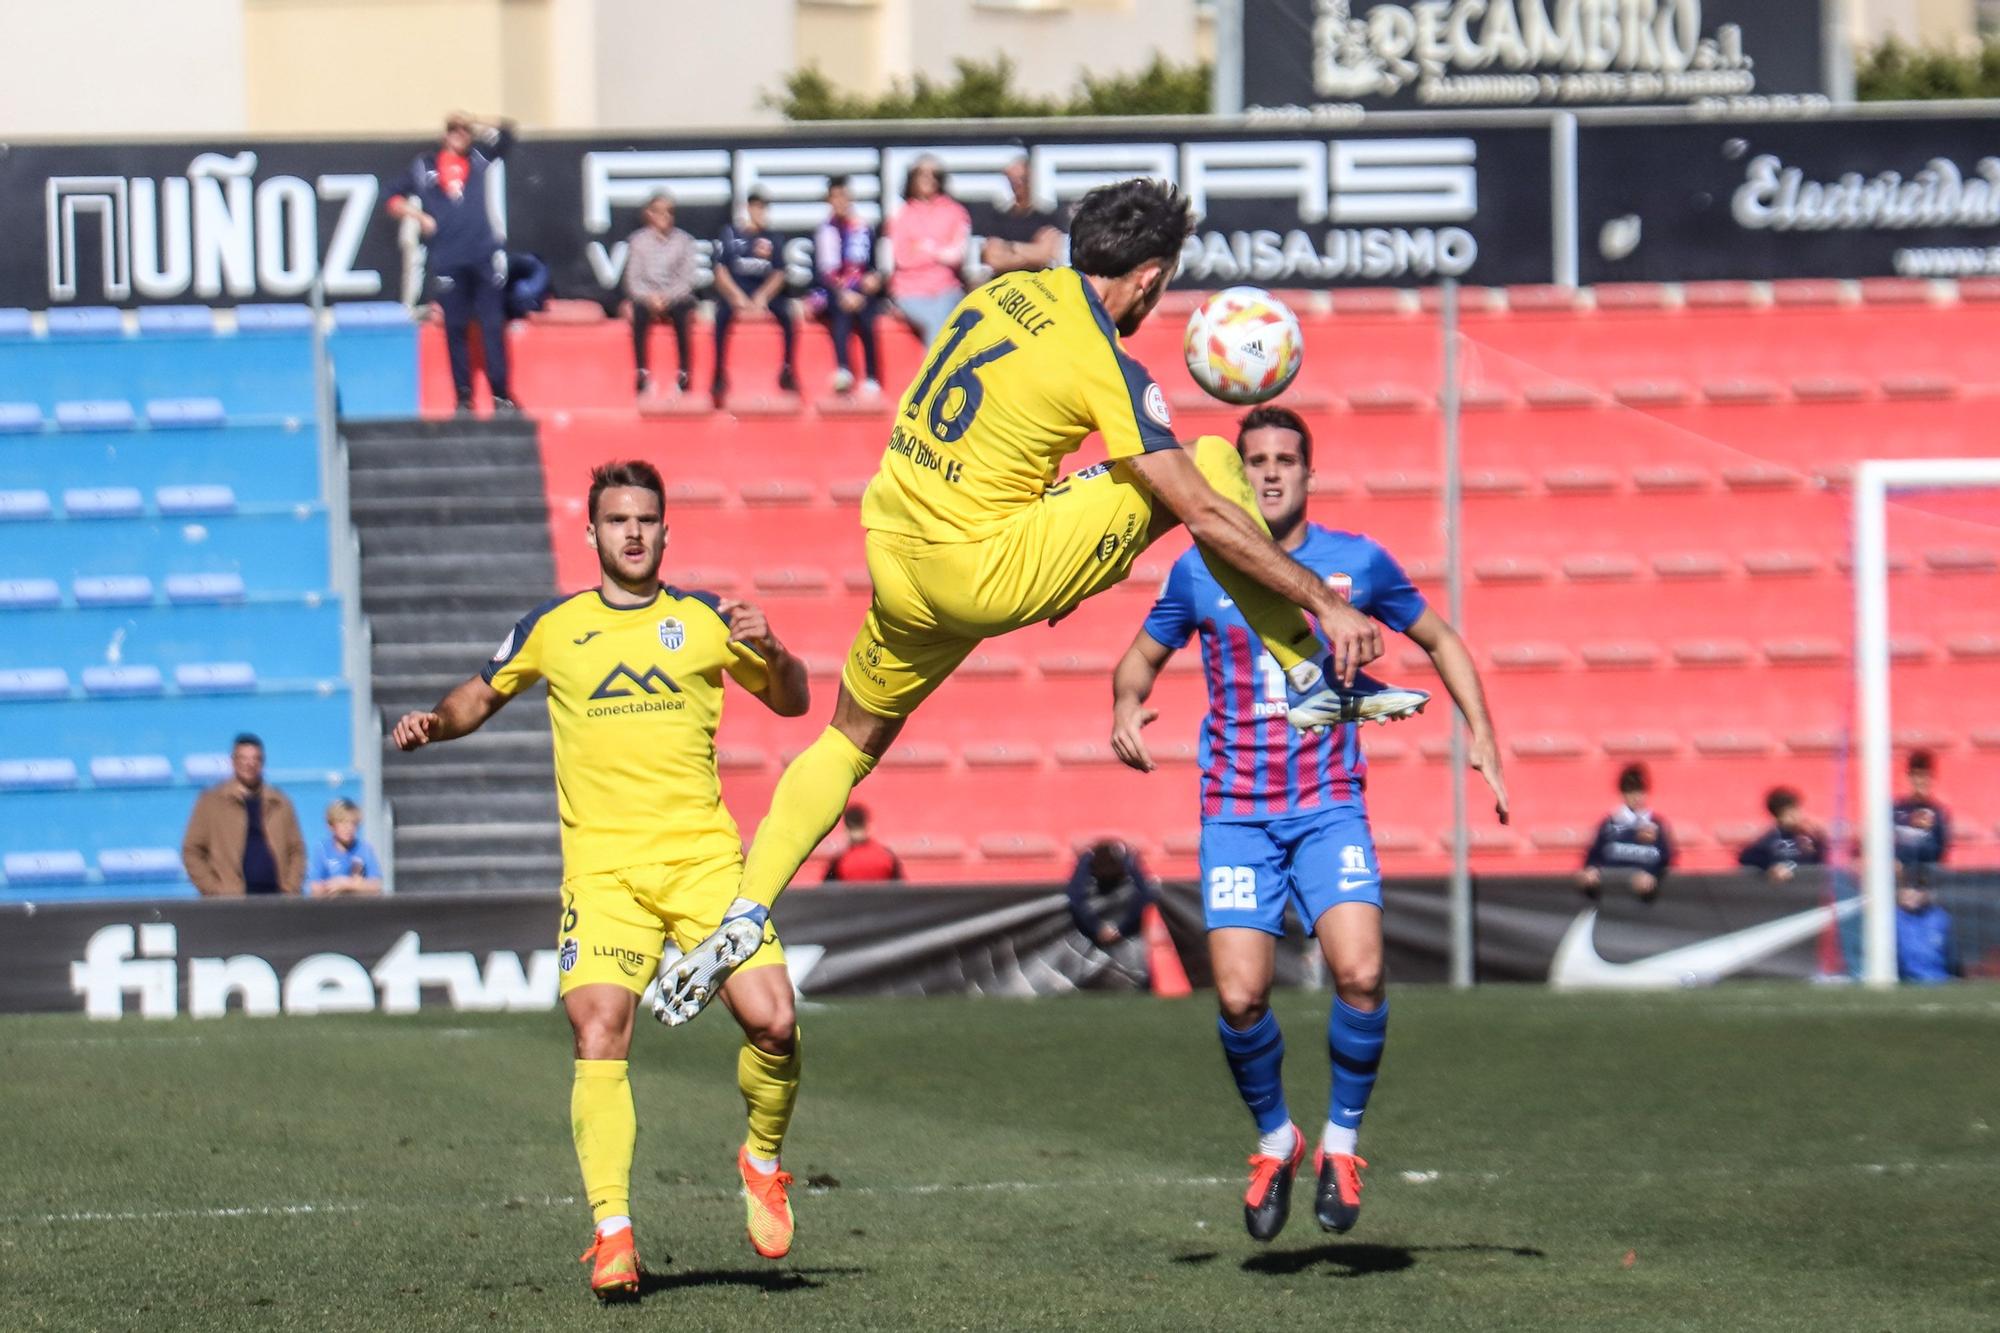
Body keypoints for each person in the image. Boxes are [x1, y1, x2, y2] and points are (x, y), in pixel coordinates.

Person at [654, 178, 1427, 1029]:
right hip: (981, 568)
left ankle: (744, 910)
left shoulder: (1003, 292)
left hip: (897, 547)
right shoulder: (1106, 362)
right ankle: (1306, 670)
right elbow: (1203, 510)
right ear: (1148, 277)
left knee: (851, 737)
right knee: (1204, 459)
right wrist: (1328, 601)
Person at [390, 460, 812, 1298]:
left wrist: (774, 646)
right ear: (591, 532)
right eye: (616, 520)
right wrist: (433, 726)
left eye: (645, 520)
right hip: (605, 872)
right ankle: (614, 1232)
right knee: (599, 1031)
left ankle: (761, 1160)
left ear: (664, 529)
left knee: (775, 1022)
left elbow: (794, 702)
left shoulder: (704, 620)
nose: (632, 532)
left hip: (703, 864)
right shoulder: (553, 625)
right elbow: (480, 694)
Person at [1107, 404, 1507, 1242]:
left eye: (1287, 458)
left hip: (1330, 809)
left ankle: (1343, 1144)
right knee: (1244, 995)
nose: (1272, 471)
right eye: (1256, 459)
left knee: (1361, 974)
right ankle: (1275, 1138)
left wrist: (1482, 733)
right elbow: (1139, 659)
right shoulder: (1199, 568)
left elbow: (1441, 638)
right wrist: (1126, 708)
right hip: (1236, 816)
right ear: (1239, 472)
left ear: (1309, 472)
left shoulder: (1356, 562)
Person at [386, 112, 518, 413]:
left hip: (483, 255)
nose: (460, 135)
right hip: (448, 257)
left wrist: (475, 118)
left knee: (492, 325)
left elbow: (508, 132)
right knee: (455, 326)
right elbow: (391, 197)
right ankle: (462, 394)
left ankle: (500, 393)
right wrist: (419, 216)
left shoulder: (480, 158)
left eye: (464, 131)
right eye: (454, 130)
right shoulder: (424, 167)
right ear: (445, 135)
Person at [180, 734, 306, 897]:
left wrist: (291, 888)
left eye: (256, 759)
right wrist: (214, 890)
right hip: (231, 904)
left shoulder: (280, 802)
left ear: (263, 762)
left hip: (277, 900)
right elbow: (192, 850)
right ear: (233, 761)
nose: (250, 764)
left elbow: (296, 849)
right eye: (243, 758)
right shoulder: (211, 802)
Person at [712, 191, 798, 403]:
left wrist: (763, 296)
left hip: (763, 293)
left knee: (787, 315)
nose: (761, 212)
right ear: (748, 209)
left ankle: (787, 369)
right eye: (757, 207)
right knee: (721, 317)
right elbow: (720, 271)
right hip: (738, 292)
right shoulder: (731, 234)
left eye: (764, 208)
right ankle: (718, 374)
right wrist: (737, 297)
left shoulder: (773, 238)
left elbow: (779, 273)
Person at [808, 176, 885, 395]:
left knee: (868, 318)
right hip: (834, 291)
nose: (840, 202)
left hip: (861, 289)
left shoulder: (863, 228)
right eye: (835, 197)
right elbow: (822, 272)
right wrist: (842, 292)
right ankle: (843, 368)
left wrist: (866, 285)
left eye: (844, 197)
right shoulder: (824, 231)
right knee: (840, 311)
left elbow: (872, 266)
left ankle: (872, 375)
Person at [887, 156, 971, 347]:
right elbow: (902, 258)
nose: (928, 179)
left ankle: (935, 374)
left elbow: (957, 255)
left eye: (934, 174)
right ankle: (934, 375)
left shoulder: (955, 211)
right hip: (909, 291)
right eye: (921, 174)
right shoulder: (901, 214)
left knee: (943, 319)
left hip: (946, 289)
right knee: (935, 322)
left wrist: (923, 247)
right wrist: (939, 251)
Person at [625, 192, 699, 397]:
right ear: (649, 214)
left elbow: (688, 279)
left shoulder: (684, 241)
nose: (665, 216)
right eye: (659, 211)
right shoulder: (638, 242)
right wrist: (650, 297)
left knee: (683, 312)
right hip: (648, 296)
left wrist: (668, 297)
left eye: (670, 212)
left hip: (674, 295)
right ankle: (641, 371)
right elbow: (633, 279)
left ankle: (684, 372)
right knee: (637, 313)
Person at [1576, 763, 1673, 901]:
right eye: (1631, 791)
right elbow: (1593, 855)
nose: (1636, 796)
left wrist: (1651, 874)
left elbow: (1666, 857)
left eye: (1640, 790)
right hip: (1611, 896)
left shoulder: (1656, 824)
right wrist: (1591, 869)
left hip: (1644, 898)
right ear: (1623, 793)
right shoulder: (1609, 824)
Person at [980, 155, 1065, 277]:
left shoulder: (1047, 218)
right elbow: (992, 258)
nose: (1017, 184)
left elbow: (1045, 255)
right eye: (1013, 180)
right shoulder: (997, 219)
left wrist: (1009, 247)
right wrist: (1032, 251)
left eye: (1022, 179)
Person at [1065, 839, 1155, 950]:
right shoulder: (1088, 860)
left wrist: (1121, 929)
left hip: (1126, 938)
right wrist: (1097, 927)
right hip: (1099, 935)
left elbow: (1145, 894)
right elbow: (1075, 897)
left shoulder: (1128, 860)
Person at [1736, 787, 1826, 881]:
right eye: (1789, 814)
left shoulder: (1809, 838)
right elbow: (1745, 857)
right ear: (1778, 817)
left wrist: (1820, 841)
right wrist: (1770, 868)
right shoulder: (1770, 839)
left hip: (1808, 888)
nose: (1795, 816)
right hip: (1783, 891)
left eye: (1797, 811)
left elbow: (1823, 863)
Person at [307, 798, 385, 897]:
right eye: (343, 822)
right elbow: (314, 886)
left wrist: (347, 884)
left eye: (353, 823)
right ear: (331, 825)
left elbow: (376, 885)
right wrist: (332, 886)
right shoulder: (322, 849)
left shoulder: (364, 849)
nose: (349, 828)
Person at [1893, 749, 1951, 881]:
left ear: (1932, 779)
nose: (1921, 781)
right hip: (1896, 883)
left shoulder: (1939, 814)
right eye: (1917, 776)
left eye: (1926, 776)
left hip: (1924, 883)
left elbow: (1938, 854)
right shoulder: (1895, 810)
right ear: (1909, 777)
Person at [822, 804, 903, 882]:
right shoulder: (886, 857)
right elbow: (902, 891)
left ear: (846, 829)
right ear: (868, 826)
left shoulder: (840, 861)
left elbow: (825, 893)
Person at [1895, 882, 1955, 983]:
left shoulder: (1940, 918)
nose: (1911, 894)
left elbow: (1952, 954)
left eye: (1918, 889)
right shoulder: (1890, 919)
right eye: (1906, 888)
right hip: (1906, 982)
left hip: (1940, 980)